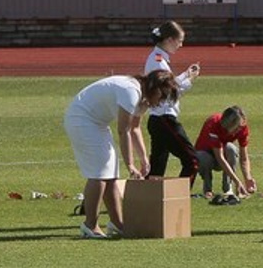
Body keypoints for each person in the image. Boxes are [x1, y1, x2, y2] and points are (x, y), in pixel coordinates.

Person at [63, 71, 178, 238]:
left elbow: (135, 128)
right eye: (162, 97)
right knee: (99, 175)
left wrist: (144, 159)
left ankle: (117, 224)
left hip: (97, 123)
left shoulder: (141, 98)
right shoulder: (131, 92)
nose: (160, 102)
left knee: (111, 176)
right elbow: (123, 130)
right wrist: (130, 164)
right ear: (156, 89)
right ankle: (90, 225)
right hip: (82, 120)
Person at [143, 20, 201, 181]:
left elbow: (169, 83)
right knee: (193, 161)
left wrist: (185, 75)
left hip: (159, 119)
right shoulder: (158, 61)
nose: (181, 45)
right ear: (169, 40)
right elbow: (169, 92)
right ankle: (179, 200)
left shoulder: (158, 58)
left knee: (156, 170)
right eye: (180, 41)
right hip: (164, 118)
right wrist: (189, 80)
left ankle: (149, 202)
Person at [194, 105, 256, 202]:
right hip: (206, 154)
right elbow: (220, 157)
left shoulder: (242, 127)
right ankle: (207, 189)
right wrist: (238, 182)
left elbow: (244, 157)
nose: (239, 130)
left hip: (221, 154)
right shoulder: (213, 123)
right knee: (203, 158)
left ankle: (228, 188)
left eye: (241, 126)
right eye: (237, 127)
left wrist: (248, 178)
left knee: (231, 149)